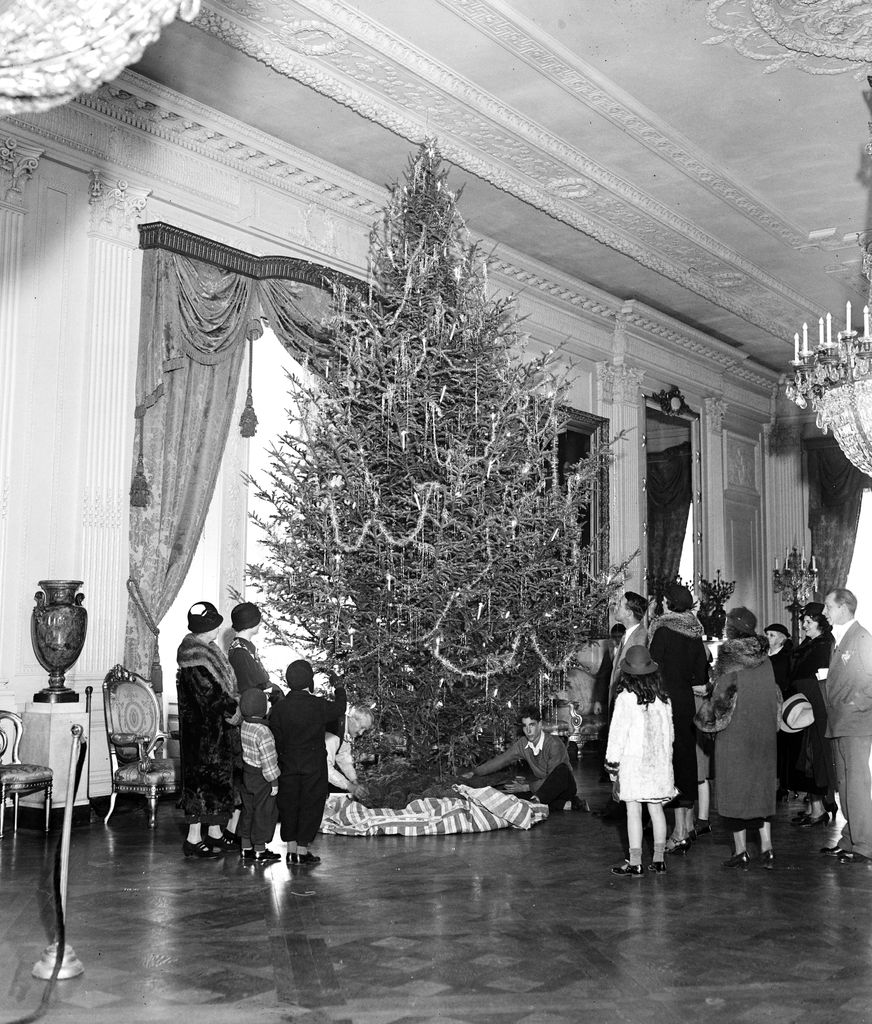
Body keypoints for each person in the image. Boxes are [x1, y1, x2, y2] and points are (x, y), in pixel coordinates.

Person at [696, 607, 779, 868]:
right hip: (764, 734)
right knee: (760, 791)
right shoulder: (766, 659)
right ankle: (767, 848)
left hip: (736, 736)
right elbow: (774, 696)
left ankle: (741, 851)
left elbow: (721, 700)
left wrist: (704, 720)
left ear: (733, 628)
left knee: (735, 792)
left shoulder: (730, 658)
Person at [176, 601, 242, 859]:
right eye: (215, 624)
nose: (218, 628)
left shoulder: (207, 649)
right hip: (202, 734)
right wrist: (234, 709)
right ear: (206, 627)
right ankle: (193, 839)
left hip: (214, 732)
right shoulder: (194, 657)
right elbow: (210, 694)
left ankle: (214, 833)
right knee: (201, 786)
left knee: (215, 785)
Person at [647, 583, 709, 854]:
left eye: (663, 601)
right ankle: (688, 825)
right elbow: (701, 676)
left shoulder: (662, 630)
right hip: (685, 703)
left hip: (664, 703)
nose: (661, 604)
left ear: (669, 603)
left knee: (669, 766)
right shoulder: (694, 633)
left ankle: (679, 831)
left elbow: (651, 669)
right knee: (685, 762)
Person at [605, 646, 677, 876]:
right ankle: (659, 859)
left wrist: (612, 765)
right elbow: (670, 735)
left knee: (633, 812)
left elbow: (617, 735)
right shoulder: (664, 699)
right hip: (658, 764)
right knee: (656, 810)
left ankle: (635, 863)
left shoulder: (625, 698)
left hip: (633, 765)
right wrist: (667, 762)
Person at [269, 659, 347, 865]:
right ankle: (301, 852)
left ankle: (291, 851)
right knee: (310, 806)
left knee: (289, 806)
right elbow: (340, 708)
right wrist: (339, 687)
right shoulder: (318, 705)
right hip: (313, 766)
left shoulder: (279, 709)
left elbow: (276, 737)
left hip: (287, 764)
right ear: (309, 682)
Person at [819, 589, 872, 863]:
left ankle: (864, 845)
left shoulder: (861, 637)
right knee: (845, 783)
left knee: (857, 784)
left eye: (828, 607)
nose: (824, 612)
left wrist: (857, 704)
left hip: (855, 722)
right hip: (840, 721)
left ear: (843, 608)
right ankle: (850, 838)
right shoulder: (839, 638)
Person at [464, 705, 585, 812]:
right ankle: (566, 805)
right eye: (525, 726)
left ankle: (536, 804)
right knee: (512, 796)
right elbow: (501, 760)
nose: (528, 730)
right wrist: (475, 772)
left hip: (563, 787)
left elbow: (552, 779)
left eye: (532, 725)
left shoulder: (554, 744)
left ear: (540, 725)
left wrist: (527, 787)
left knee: (562, 769)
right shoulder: (523, 744)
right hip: (542, 789)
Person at [788, 603, 836, 828]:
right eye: (804, 621)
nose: (804, 625)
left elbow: (819, 679)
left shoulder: (824, 645)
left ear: (820, 623)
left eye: (809, 621)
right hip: (805, 706)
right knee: (806, 756)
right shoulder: (811, 643)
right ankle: (813, 808)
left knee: (814, 756)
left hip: (816, 708)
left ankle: (819, 811)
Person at [238, 688, 281, 863]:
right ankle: (260, 850)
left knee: (248, 810)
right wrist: (274, 782)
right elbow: (269, 760)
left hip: (247, 773)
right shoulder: (263, 732)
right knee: (264, 813)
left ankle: (245, 847)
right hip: (262, 778)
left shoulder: (245, 725)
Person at [228, 601, 283, 703]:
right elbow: (248, 690)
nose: (260, 623)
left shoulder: (245, 645)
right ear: (249, 623)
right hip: (255, 706)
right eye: (258, 620)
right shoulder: (240, 653)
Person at [326, 706, 373, 799]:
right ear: (352, 719)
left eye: (364, 730)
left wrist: (354, 780)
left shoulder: (343, 728)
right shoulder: (333, 732)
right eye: (361, 727)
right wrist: (350, 787)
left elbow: (343, 757)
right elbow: (325, 768)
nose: (361, 733)